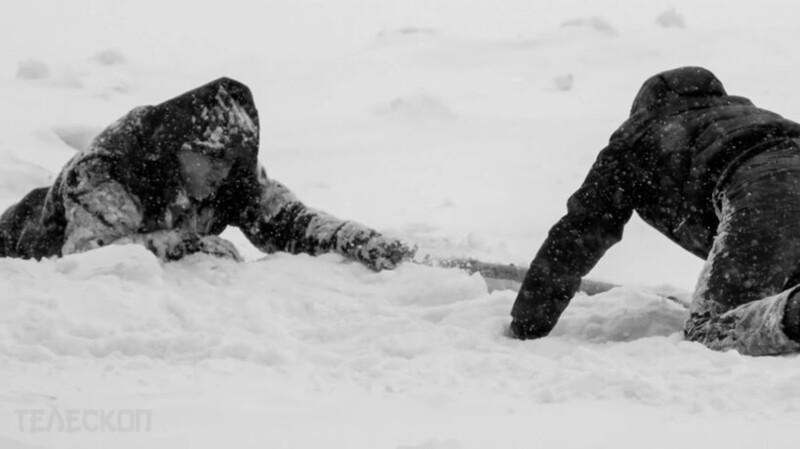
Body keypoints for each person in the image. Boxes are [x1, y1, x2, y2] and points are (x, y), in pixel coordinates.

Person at [509, 66, 800, 356]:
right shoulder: (755, 117)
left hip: (764, 187)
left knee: (711, 327)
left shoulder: (638, 138)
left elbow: (581, 232)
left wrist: (528, 323)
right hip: (778, 177)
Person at [0, 77, 414, 271]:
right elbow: (89, 256)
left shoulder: (231, 173)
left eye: (232, 160)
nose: (222, 171)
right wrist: (187, 245)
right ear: (177, 147)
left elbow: (290, 223)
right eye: (210, 158)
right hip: (18, 255)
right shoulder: (111, 169)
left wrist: (361, 242)